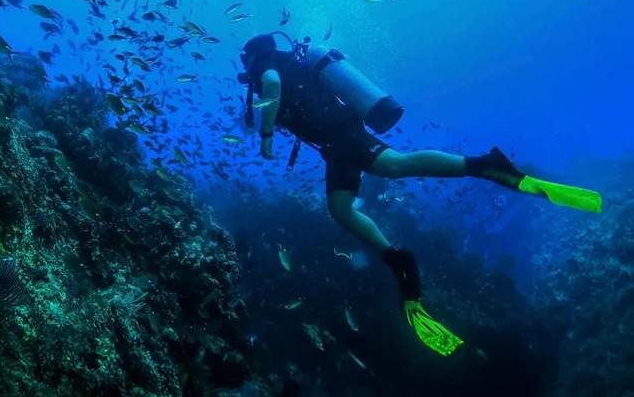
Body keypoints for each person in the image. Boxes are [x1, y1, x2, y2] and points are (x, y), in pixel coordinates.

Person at [237, 32, 602, 356]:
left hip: (339, 136)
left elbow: (270, 85)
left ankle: (484, 167)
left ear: (253, 54)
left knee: (393, 167)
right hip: (336, 140)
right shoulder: (293, 61)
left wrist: (267, 136)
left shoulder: (266, 65)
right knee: (344, 206)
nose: (246, 67)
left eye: (244, 59)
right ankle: (398, 256)